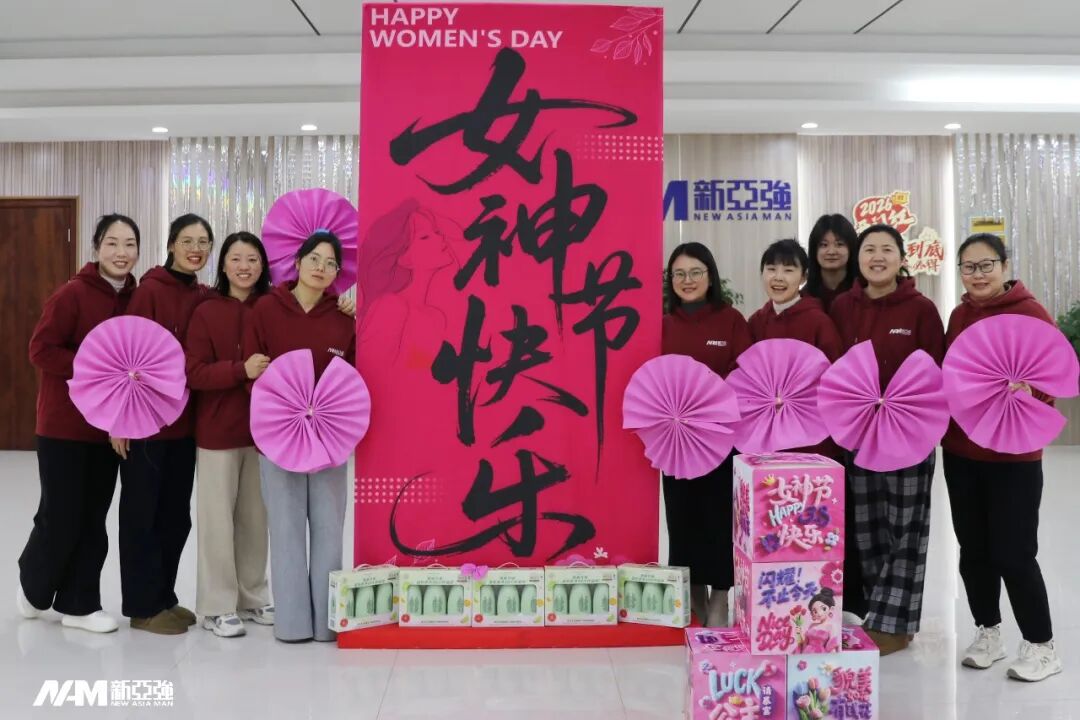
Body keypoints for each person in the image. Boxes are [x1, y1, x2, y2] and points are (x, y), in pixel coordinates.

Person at [942, 233, 1062, 681]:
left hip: (1014, 456)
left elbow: (1053, 377)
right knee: (973, 549)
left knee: (1014, 552)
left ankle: (1042, 646)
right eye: (968, 267)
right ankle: (987, 632)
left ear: (1005, 265)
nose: (977, 274)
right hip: (962, 450)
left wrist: (1032, 392)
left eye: (986, 265)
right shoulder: (958, 315)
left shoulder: (1030, 313)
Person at [17, 214, 140, 634]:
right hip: (63, 427)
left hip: (109, 430)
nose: (121, 252)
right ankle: (33, 582)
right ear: (96, 248)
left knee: (93, 518)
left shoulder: (136, 299)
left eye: (129, 244)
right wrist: (94, 366)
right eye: (112, 243)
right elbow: (40, 349)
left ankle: (79, 604)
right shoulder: (72, 294)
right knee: (61, 514)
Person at [829, 223, 944, 655]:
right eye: (869, 249)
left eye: (886, 249)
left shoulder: (921, 309)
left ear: (901, 258)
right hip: (859, 432)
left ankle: (896, 624)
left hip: (911, 434)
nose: (877, 257)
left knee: (906, 528)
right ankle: (883, 617)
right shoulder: (843, 307)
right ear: (858, 259)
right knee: (869, 527)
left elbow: (936, 371)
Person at [244, 231, 356, 643]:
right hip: (278, 437)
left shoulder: (344, 318)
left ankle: (328, 623)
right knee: (286, 529)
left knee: (329, 529)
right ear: (297, 261)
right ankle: (291, 624)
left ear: (338, 273)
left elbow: (353, 379)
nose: (320, 269)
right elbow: (253, 370)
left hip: (329, 440)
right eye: (314, 259)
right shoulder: (265, 309)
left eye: (330, 264)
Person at [748, 239, 860, 623]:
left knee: (811, 530)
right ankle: (775, 613)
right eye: (771, 268)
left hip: (814, 447)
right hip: (768, 447)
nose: (778, 277)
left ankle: (822, 611)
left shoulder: (818, 321)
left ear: (803, 276)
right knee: (773, 529)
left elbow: (836, 380)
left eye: (788, 269)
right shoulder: (757, 322)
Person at [116, 213, 212, 634]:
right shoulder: (150, 291)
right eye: (187, 240)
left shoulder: (204, 294)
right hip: (146, 424)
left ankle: (163, 597)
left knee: (175, 516)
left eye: (204, 242)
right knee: (143, 516)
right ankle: (142, 608)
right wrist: (120, 420)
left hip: (184, 425)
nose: (196, 249)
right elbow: (127, 355)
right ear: (171, 244)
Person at [185, 232, 274, 638]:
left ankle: (252, 596)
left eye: (252, 259)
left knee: (255, 520)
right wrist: (241, 370)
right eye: (236, 258)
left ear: (263, 265)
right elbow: (194, 372)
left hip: (264, 433)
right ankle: (216, 606)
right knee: (217, 522)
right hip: (217, 432)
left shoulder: (272, 308)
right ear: (222, 265)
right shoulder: (206, 311)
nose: (244, 266)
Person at [662, 241, 751, 627]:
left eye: (695, 272)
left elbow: (746, 375)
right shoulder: (662, 323)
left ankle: (720, 597)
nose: (688, 280)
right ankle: (691, 593)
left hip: (721, 439)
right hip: (676, 441)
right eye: (679, 274)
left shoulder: (731, 320)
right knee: (682, 518)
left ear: (710, 276)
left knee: (718, 519)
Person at [802, 214, 859, 313]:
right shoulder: (804, 297)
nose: (831, 252)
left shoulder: (862, 293)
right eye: (824, 245)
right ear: (814, 250)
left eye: (839, 244)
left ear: (851, 248)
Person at [795, 587, 838, 653]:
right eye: (815, 611)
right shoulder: (812, 625)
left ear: (831, 609)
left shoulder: (831, 627)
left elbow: (831, 645)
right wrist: (799, 633)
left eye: (823, 609)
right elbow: (805, 642)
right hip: (806, 652)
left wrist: (832, 655)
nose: (819, 613)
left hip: (819, 653)